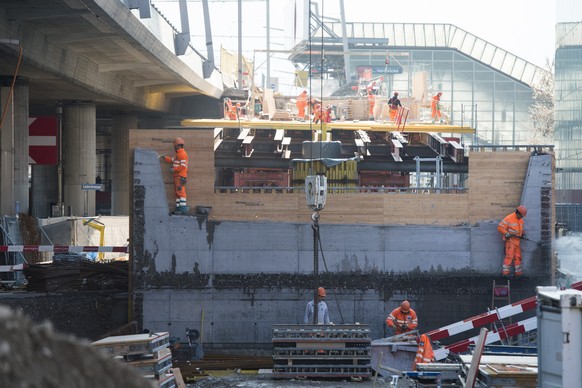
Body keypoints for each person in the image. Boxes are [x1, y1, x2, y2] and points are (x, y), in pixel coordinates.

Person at [160, 137, 189, 214]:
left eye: (175, 146)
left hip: (180, 177)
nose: (174, 148)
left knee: (181, 192)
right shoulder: (178, 155)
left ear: (178, 146)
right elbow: (172, 160)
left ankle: (182, 209)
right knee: (177, 192)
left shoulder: (182, 154)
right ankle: (179, 208)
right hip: (177, 177)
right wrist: (165, 157)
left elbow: (183, 166)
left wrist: (174, 170)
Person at [497, 205, 527, 277]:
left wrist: (523, 234)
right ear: (518, 213)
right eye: (521, 216)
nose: (522, 217)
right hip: (510, 241)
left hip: (517, 241)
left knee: (518, 257)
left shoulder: (521, 220)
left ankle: (518, 273)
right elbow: (500, 227)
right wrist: (506, 234)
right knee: (509, 256)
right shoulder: (509, 218)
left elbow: (522, 229)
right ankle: (505, 273)